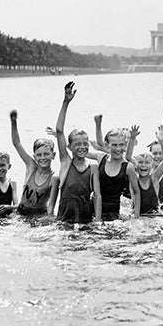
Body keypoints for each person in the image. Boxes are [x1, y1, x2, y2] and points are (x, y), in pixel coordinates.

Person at [53, 81, 99, 225]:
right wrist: (66, 102)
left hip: (85, 218)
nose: (82, 147)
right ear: (70, 146)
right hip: (64, 218)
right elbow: (59, 131)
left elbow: (97, 195)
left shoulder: (93, 168)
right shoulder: (66, 162)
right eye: (77, 144)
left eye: (85, 144)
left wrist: (98, 219)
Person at [10, 109, 59, 217]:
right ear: (34, 157)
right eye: (39, 155)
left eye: (46, 154)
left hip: (38, 215)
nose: (43, 158)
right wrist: (13, 122)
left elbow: (51, 207)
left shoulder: (54, 178)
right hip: (20, 212)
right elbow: (16, 143)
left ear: (53, 155)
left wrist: (59, 136)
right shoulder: (31, 166)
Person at [95, 126, 134, 221]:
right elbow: (82, 153)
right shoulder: (101, 158)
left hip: (114, 211)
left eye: (121, 145)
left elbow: (135, 193)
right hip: (94, 208)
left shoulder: (128, 167)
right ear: (107, 145)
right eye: (115, 145)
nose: (118, 148)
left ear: (125, 145)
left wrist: (135, 215)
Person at [127, 152, 162, 216]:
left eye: (147, 162)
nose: (143, 165)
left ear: (152, 165)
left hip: (154, 215)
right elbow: (128, 157)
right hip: (138, 214)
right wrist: (132, 141)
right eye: (140, 162)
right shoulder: (133, 179)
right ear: (135, 165)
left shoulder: (154, 179)